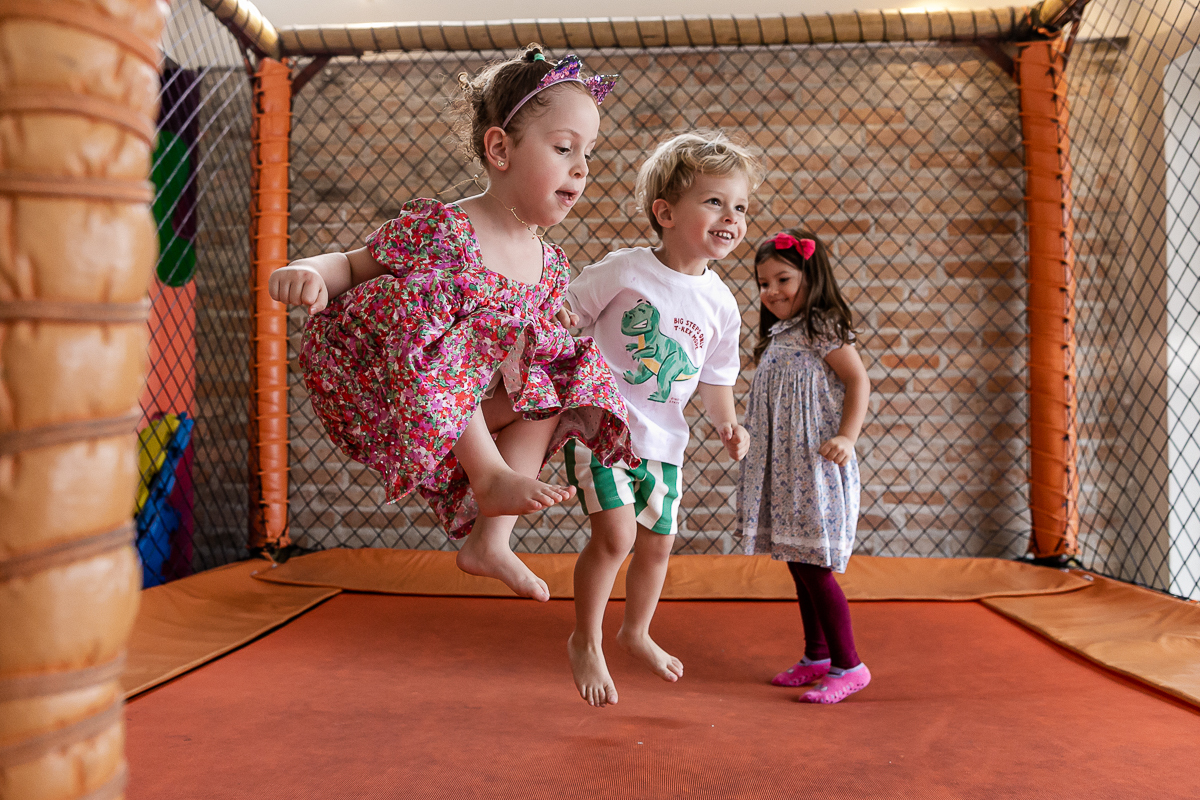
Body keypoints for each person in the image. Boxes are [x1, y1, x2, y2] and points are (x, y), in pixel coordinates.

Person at [268, 47, 635, 603]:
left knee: (566, 375)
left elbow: (535, 352)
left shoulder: (550, 263)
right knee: (439, 307)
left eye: (588, 153)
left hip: (473, 414)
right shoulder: (446, 227)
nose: (581, 168)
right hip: (396, 392)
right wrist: (308, 271)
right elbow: (351, 264)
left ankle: (490, 541)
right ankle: (488, 476)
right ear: (499, 149)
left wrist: (547, 334)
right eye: (564, 149)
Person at [562, 131, 761, 706]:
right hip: (603, 426)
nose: (732, 217)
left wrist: (727, 424)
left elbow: (717, 377)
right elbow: (565, 314)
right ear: (666, 212)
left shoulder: (722, 303)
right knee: (617, 534)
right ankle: (586, 639)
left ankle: (636, 630)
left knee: (657, 544)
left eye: (741, 206)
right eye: (716, 202)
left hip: (665, 444)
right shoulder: (625, 270)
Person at [736, 228, 872, 704]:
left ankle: (849, 664)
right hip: (786, 466)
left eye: (783, 279)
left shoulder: (822, 329)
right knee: (798, 561)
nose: (771, 292)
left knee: (814, 566)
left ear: (810, 277)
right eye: (763, 282)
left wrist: (846, 437)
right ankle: (816, 655)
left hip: (815, 466)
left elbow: (858, 382)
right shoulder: (779, 335)